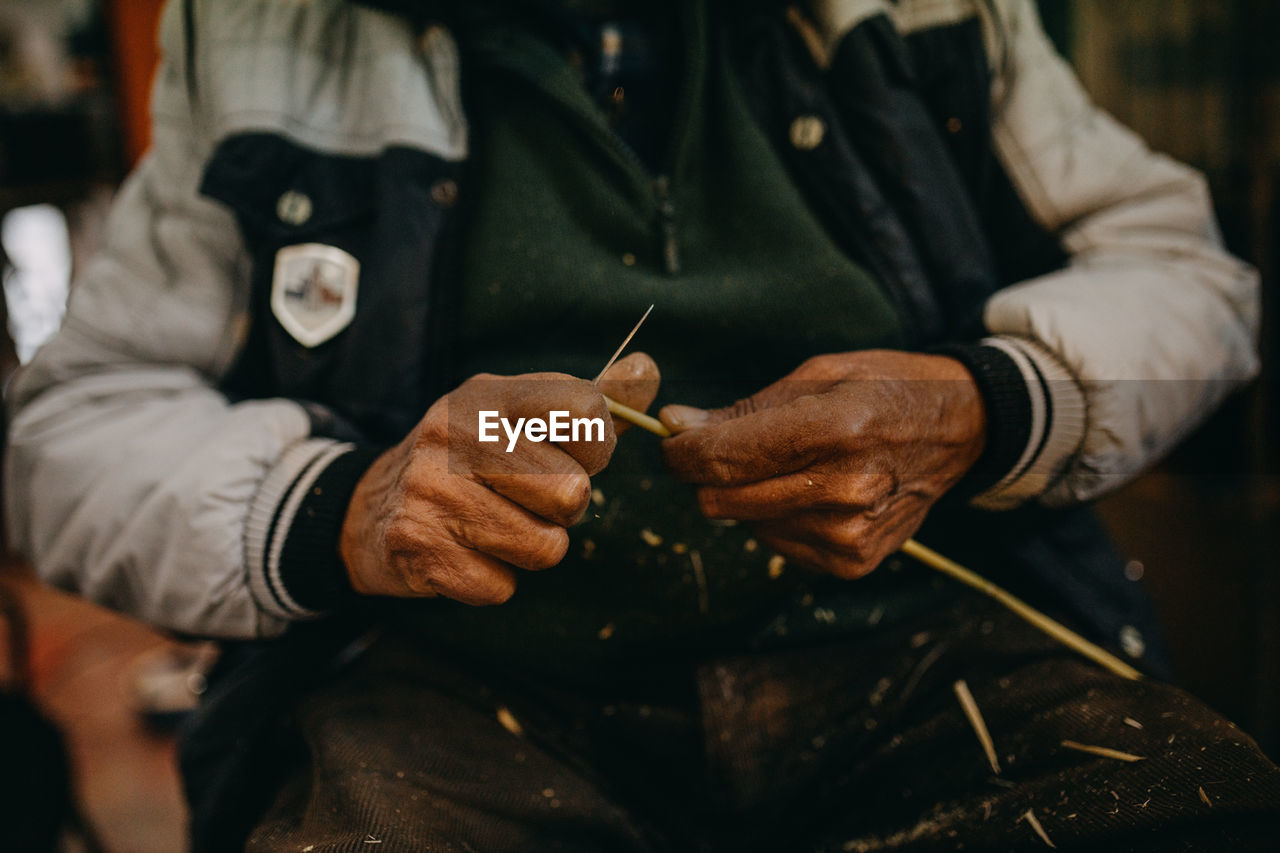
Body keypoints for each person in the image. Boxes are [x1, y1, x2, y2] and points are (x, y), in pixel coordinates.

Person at [6, 0, 1279, 850]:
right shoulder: (260, 31)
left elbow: (1195, 282)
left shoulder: (929, 14)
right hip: (465, 688)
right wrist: (348, 505)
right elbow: (70, 427)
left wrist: (984, 405)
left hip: (921, 645)